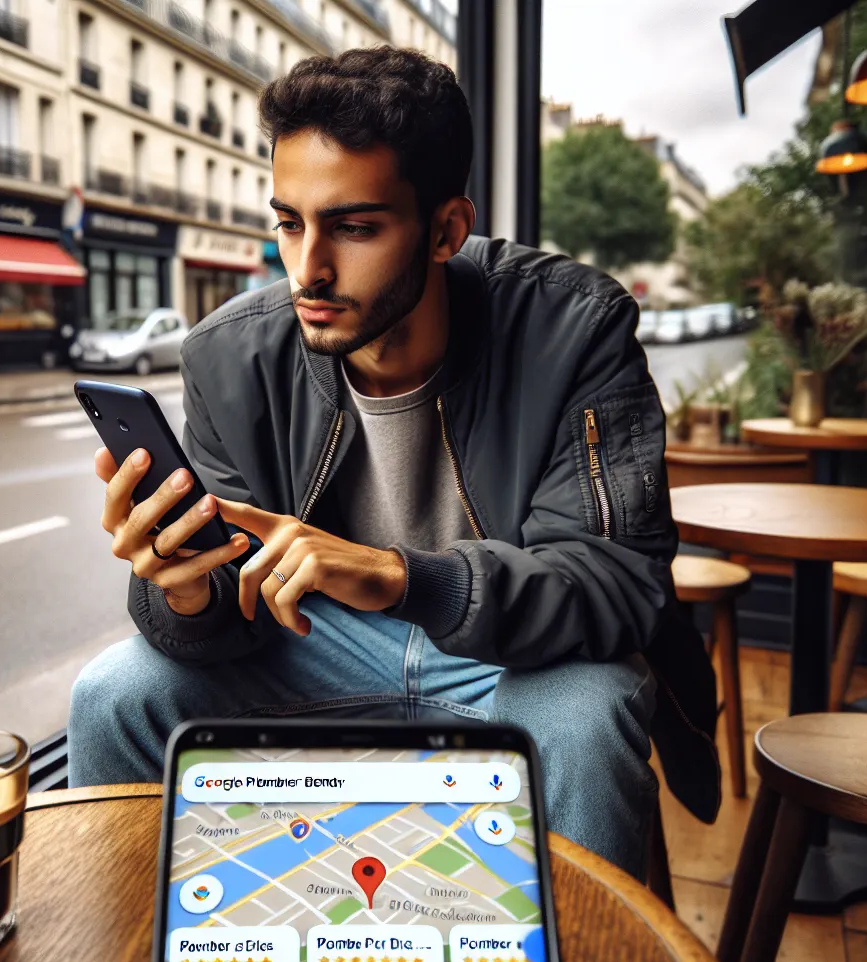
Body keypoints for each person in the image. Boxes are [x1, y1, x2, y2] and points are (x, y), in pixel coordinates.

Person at [67, 47, 718, 878]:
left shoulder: (572, 325)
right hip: (318, 642)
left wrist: (397, 577)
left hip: (506, 655)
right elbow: (216, 612)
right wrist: (187, 592)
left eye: (354, 227)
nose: (307, 268)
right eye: (289, 222)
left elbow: (616, 585)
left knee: (586, 715)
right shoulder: (228, 356)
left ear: (447, 229)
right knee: (114, 695)